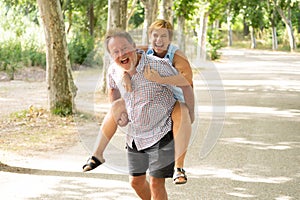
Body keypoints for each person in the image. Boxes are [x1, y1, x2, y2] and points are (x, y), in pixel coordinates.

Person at [83, 19, 194, 185]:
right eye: (155, 36)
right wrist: (124, 75)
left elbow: (187, 82)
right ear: (149, 38)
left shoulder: (175, 56)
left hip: (174, 96)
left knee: (183, 111)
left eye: (164, 36)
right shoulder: (140, 51)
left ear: (170, 39)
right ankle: (97, 154)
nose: (159, 40)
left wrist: (190, 111)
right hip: (146, 104)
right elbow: (121, 63)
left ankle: (179, 167)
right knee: (116, 106)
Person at [105, 29, 178, 199]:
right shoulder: (114, 70)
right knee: (136, 182)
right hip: (136, 135)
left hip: (162, 131)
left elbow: (182, 82)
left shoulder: (158, 65)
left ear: (134, 46)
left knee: (155, 182)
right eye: (115, 51)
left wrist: (183, 113)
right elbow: (112, 88)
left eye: (124, 48)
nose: (121, 53)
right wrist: (117, 110)